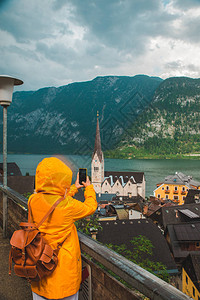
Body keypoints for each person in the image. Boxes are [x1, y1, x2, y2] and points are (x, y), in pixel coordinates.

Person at [28, 157, 97, 300]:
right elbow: (90, 207)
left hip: (38, 264)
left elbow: (56, 197)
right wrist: (88, 187)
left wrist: (74, 188)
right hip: (63, 272)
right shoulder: (68, 206)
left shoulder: (32, 200)